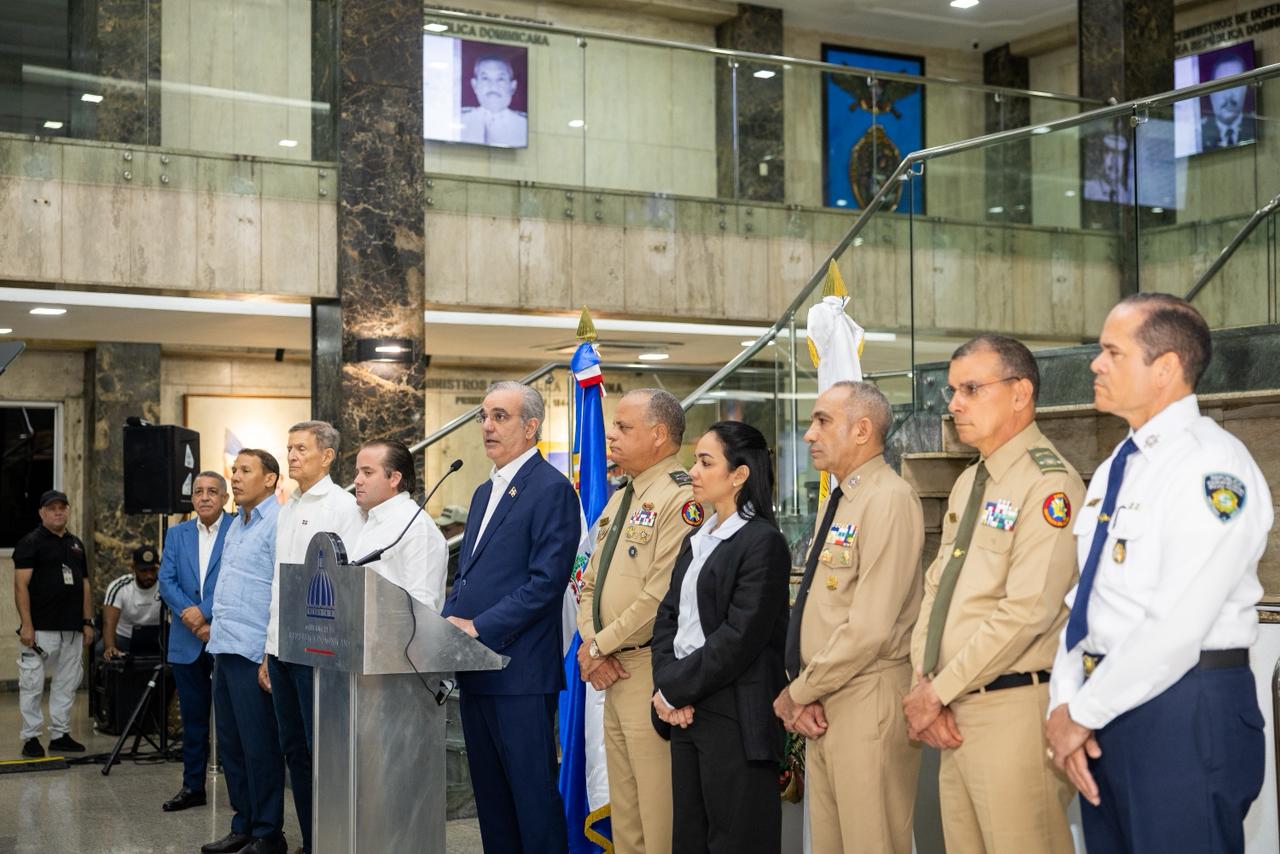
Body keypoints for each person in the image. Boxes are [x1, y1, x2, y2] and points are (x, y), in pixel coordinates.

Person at [1045, 294, 1271, 854]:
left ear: (1165, 367)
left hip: (1184, 713)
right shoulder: (1116, 468)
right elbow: (1087, 603)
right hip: (1107, 710)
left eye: (1111, 352)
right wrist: (1063, 704)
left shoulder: (1210, 467)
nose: (1095, 364)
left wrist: (1081, 714)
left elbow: (1175, 627)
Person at [903, 334, 1082, 854]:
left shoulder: (1048, 487)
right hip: (955, 709)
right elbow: (938, 587)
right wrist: (926, 680)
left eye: (972, 389)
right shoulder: (970, 482)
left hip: (1011, 711)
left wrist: (936, 691)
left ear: (1020, 393)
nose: (955, 403)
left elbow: (1028, 611)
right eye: (953, 391)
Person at [774, 381, 924, 854]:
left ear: (862, 430)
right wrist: (810, 690)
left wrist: (798, 692)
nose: (808, 435)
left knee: (871, 841)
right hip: (828, 698)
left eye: (822, 421)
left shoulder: (889, 499)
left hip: (867, 697)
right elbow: (825, 609)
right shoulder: (841, 500)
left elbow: (870, 627)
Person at [442, 381, 580, 853]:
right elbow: (470, 575)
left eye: (500, 416)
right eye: (483, 416)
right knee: (493, 803)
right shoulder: (483, 492)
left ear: (531, 426)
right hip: (477, 669)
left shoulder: (551, 489)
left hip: (519, 672)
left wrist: (478, 627)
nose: (487, 426)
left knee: (531, 801)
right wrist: (445, 623)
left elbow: (546, 583)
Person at [650, 421, 790, 854]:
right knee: (690, 840)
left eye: (706, 462)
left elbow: (739, 638)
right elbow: (667, 619)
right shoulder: (697, 537)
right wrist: (667, 688)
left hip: (734, 716)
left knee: (736, 840)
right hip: (687, 712)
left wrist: (673, 689)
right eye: (695, 460)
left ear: (740, 475)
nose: (693, 471)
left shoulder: (763, 543)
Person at [576, 388, 701, 854]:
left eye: (624, 428)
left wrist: (598, 646)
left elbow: (660, 596)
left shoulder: (681, 499)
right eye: (613, 426)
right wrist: (594, 646)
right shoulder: (619, 498)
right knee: (626, 816)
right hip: (612, 672)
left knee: (657, 815)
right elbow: (586, 582)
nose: (611, 435)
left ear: (659, 434)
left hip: (649, 670)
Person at [262, 421, 362, 854]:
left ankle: (329, 840)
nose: (292, 455)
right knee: (293, 750)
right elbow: (277, 585)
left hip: (318, 650)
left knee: (322, 752)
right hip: (283, 647)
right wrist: (268, 650)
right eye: (289, 448)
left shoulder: (342, 505)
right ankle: (309, 839)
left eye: (301, 448)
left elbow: (345, 583)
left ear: (327, 456)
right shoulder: (287, 505)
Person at [203, 449, 288, 854]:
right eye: (233, 470)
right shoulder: (237, 524)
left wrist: (270, 653)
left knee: (260, 748)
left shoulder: (279, 522)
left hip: (255, 651)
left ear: (270, 479)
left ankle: (268, 834)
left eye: (245, 471)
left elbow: (280, 592)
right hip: (224, 646)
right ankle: (243, 823)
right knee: (232, 746)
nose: (235, 478)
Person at [158, 471, 233, 812]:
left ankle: (240, 795)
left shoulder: (239, 529)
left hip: (228, 637)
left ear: (225, 497)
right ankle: (192, 788)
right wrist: (193, 618)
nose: (204, 497)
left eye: (212, 491)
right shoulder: (176, 534)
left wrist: (202, 614)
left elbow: (236, 580)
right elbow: (166, 582)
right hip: (187, 641)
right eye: (198, 491)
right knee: (193, 721)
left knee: (234, 722)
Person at [13, 489, 92, 758]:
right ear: (42, 513)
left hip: (72, 628)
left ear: (68, 510)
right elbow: (20, 586)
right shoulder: (30, 542)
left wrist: (88, 621)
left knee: (67, 683)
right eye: (52, 508)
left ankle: (60, 734)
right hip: (40, 628)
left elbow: (84, 585)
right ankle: (31, 738)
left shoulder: (76, 544)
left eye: (62, 507)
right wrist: (26, 625)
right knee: (32, 683)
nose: (58, 512)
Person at [352, 439, 448, 610]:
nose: (357, 480)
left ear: (394, 479)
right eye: (357, 472)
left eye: (367, 473)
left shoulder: (417, 527)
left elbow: (421, 609)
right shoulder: (367, 518)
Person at [100, 545, 162, 659]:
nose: (149, 575)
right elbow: (108, 623)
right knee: (100, 650)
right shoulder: (120, 587)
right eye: (143, 570)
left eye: (153, 570)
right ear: (134, 568)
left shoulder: (165, 586)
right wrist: (110, 647)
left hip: (157, 638)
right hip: (125, 638)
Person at [459, 54, 528, 147]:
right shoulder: (459, 120)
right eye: (485, 78)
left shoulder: (524, 126)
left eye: (500, 79)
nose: (493, 85)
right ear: (474, 85)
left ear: (513, 86)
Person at [1201, 54, 1254, 150]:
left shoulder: (1257, 127)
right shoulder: (1198, 136)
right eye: (1221, 87)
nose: (1228, 95)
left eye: (1235, 85)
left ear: (1245, 89)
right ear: (1211, 94)